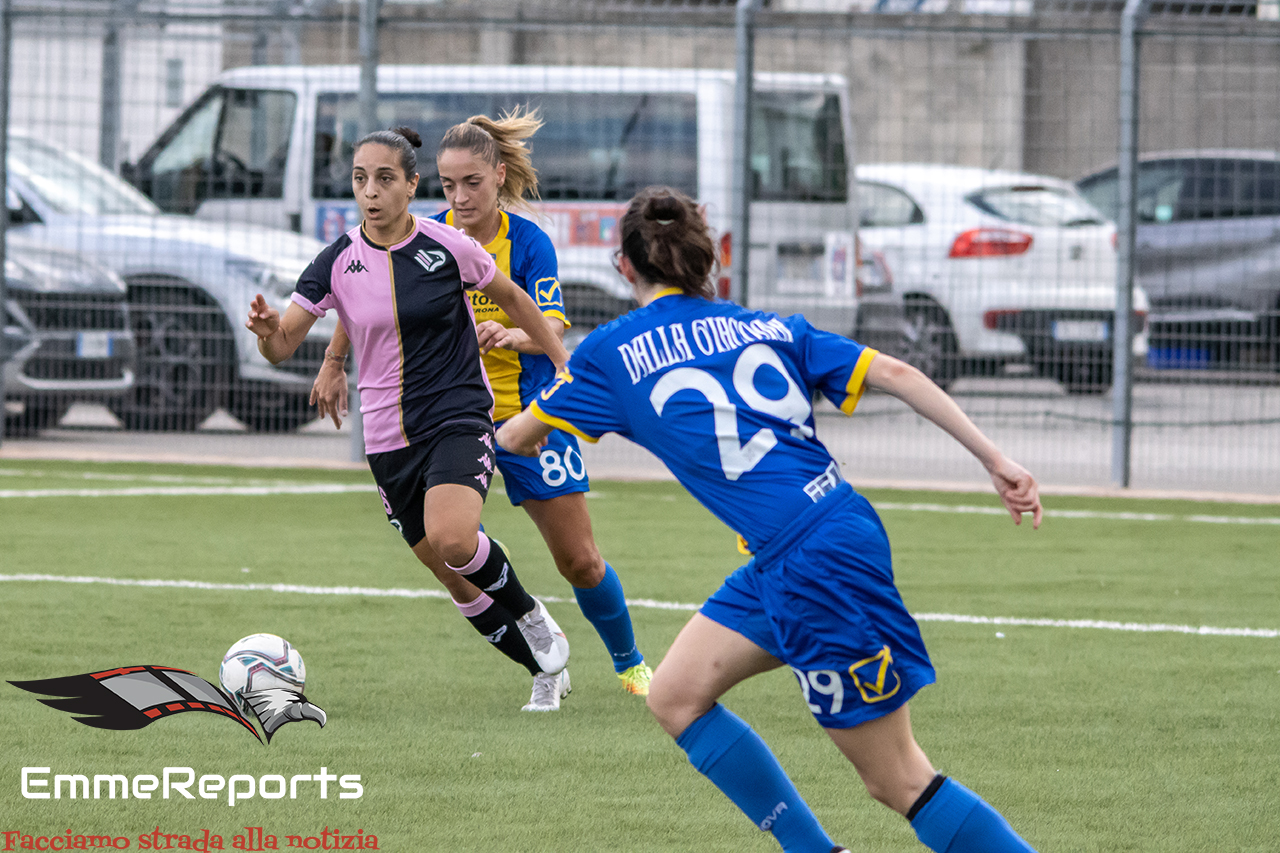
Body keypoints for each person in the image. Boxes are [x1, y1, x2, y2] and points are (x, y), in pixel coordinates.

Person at [497, 185, 1045, 852]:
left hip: (811, 562)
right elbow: (896, 370)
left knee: (899, 778)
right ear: (709, 261)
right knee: (674, 694)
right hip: (823, 532)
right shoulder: (771, 326)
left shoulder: (610, 351)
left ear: (623, 266)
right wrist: (995, 458)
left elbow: (518, 437)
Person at [311, 109, 652, 709]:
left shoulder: (526, 242)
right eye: (448, 185)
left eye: (473, 183)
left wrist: (515, 338)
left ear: (499, 177)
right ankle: (543, 669)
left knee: (578, 559)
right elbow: (364, 296)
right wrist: (335, 359)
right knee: (452, 557)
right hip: (446, 414)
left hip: (526, 415)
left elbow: (544, 320)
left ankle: (631, 666)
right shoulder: (423, 236)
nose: (460, 197)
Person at [245, 125, 573, 712]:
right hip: (387, 437)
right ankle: (541, 672)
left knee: (454, 539)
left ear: (412, 185)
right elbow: (283, 344)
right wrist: (272, 336)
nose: (370, 192)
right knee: (450, 574)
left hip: (456, 415)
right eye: (359, 179)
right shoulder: (336, 261)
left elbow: (520, 301)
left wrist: (562, 362)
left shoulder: (447, 245)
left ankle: (529, 611)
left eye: (384, 179)